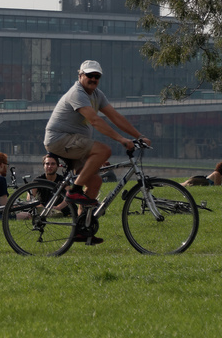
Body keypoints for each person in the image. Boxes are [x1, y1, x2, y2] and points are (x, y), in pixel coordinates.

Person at [43, 60, 149, 245]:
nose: (93, 79)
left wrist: (138, 135)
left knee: (96, 181)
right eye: (89, 75)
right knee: (104, 149)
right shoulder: (77, 93)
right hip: (60, 140)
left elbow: (115, 117)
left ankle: (81, 229)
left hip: (74, 144)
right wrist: (122, 140)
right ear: (80, 75)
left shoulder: (97, 95)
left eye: (96, 76)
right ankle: (74, 191)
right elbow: (95, 121)